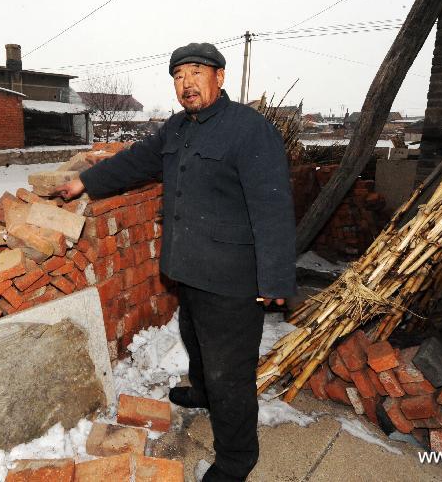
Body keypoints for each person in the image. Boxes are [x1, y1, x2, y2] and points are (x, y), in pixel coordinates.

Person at [55, 42, 296, 482]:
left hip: (232, 279)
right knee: (196, 338)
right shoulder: (178, 129)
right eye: (179, 76)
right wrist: (85, 183)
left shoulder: (248, 129)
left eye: (196, 73)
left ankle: (236, 459)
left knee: (231, 372)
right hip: (190, 267)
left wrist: (276, 275)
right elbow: (136, 162)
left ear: (219, 78)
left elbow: (273, 205)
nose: (186, 84)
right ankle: (202, 393)